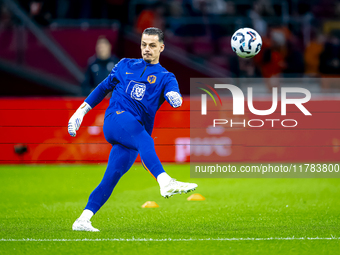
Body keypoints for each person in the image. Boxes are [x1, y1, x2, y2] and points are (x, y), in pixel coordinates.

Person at [68, 27, 198, 232]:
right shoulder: (124, 64)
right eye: (144, 44)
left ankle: (83, 219)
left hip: (131, 135)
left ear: (161, 48)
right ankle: (165, 181)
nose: (147, 49)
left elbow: (175, 95)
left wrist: (175, 98)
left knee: (111, 177)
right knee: (146, 140)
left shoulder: (166, 77)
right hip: (115, 120)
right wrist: (80, 112)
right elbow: (103, 88)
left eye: (152, 45)